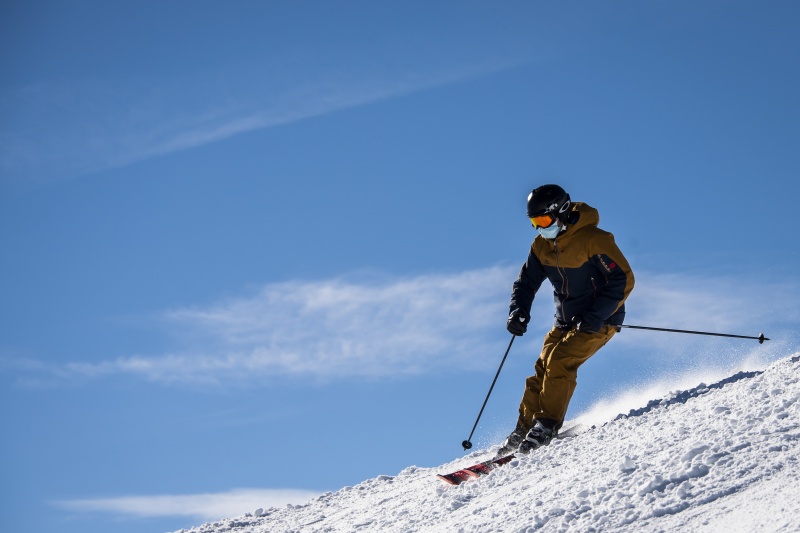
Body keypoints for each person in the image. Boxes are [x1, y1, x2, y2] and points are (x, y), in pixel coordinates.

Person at [498, 184, 634, 456]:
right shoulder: (541, 246)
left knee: (560, 361)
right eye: (534, 223)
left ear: (560, 212)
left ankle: (546, 425)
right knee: (543, 367)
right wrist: (518, 310)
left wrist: (595, 316)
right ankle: (524, 427)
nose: (540, 228)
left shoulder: (594, 240)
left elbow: (623, 279)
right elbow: (526, 283)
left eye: (543, 220)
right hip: (565, 321)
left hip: (599, 321)